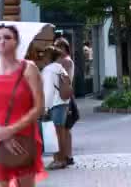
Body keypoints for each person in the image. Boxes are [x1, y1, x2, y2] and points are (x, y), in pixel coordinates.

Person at [0, 24, 45, 187]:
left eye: (7, 37)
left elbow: (39, 107)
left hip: (23, 137)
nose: (2, 41)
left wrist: (11, 130)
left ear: (16, 42)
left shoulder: (28, 69)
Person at [41, 46, 71, 170]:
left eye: (44, 55)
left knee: (55, 134)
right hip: (63, 103)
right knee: (60, 132)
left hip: (54, 104)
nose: (42, 57)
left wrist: (45, 107)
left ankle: (58, 160)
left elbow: (48, 90)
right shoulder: (60, 68)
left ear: (49, 57)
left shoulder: (48, 70)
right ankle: (62, 159)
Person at [54, 38, 76, 167]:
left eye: (61, 47)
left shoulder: (66, 61)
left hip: (64, 96)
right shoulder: (58, 61)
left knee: (66, 127)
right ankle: (65, 155)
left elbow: (65, 79)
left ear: (66, 48)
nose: (59, 49)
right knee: (63, 127)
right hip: (60, 95)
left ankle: (67, 155)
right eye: (57, 47)